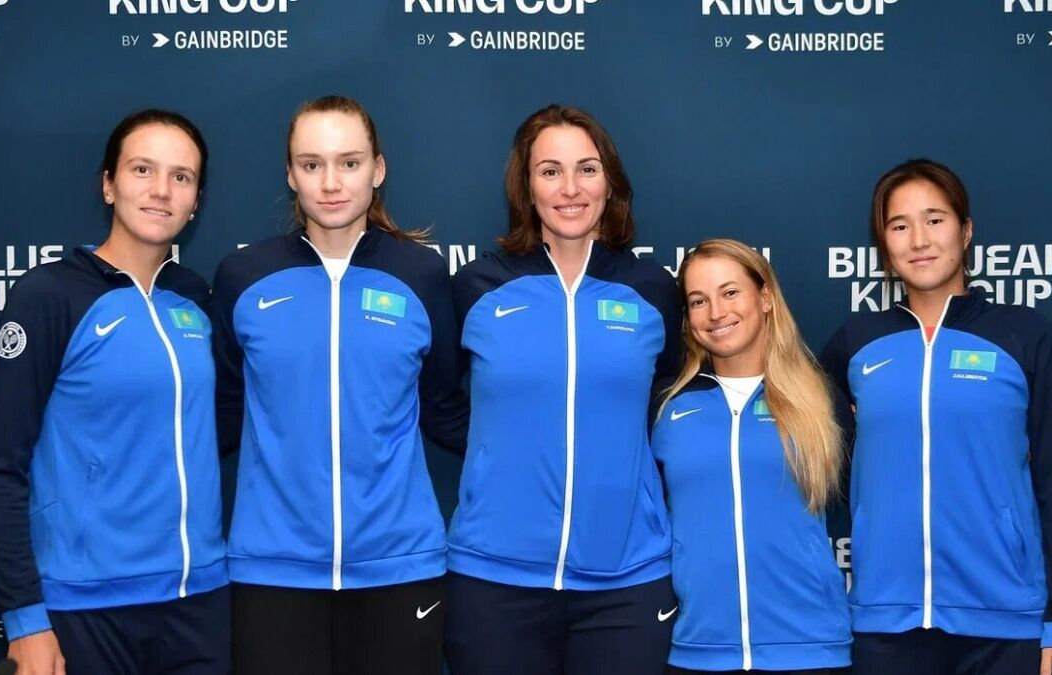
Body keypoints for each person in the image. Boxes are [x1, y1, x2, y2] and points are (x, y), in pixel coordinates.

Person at [212, 95, 467, 675]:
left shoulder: (420, 274)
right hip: (272, 571)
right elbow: (220, 414)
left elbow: (444, 407)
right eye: (312, 164)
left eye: (349, 163)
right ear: (290, 174)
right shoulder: (243, 276)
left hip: (400, 568)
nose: (330, 183)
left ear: (378, 170)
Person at [0, 109, 228, 675]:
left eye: (181, 176)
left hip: (199, 602)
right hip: (84, 608)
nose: (161, 190)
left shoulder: (194, 298)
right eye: (142, 170)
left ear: (196, 200)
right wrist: (25, 620)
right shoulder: (50, 295)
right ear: (109, 184)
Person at [819, 158, 1052, 675]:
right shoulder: (856, 344)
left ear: (965, 232)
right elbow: (824, 460)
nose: (919, 240)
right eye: (899, 226)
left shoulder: (1025, 335)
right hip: (884, 620)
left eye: (935, 220)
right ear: (884, 245)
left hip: (1004, 622)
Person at [444, 104, 682, 675]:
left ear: (610, 183)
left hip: (626, 582)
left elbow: (671, 402)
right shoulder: (478, 286)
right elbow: (435, 399)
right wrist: (497, 454)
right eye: (550, 171)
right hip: (493, 580)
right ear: (526, 187)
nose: (570, 189)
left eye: (587, 169)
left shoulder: (652, 289)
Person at [652, 239, 851, 675]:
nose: (716, 312)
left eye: (730, 292)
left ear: (765, 297)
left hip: (810, 649)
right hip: (698, 650)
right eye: (698, 301)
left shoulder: (822, 400)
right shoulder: (667, 406)